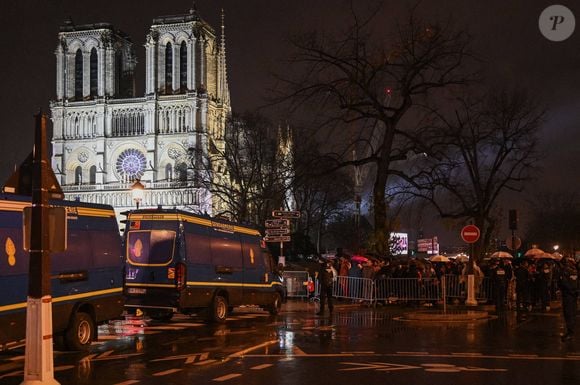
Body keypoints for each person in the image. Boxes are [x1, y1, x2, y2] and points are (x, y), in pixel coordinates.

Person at [558, 256, 578, 341]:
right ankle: (571, 331)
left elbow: (563, 283)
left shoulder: (564, 271)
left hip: (567, 295)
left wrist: (569, 291)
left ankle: (570, 333)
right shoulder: (575, 271)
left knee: (568, 314)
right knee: (572, 313)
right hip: (574, 295)